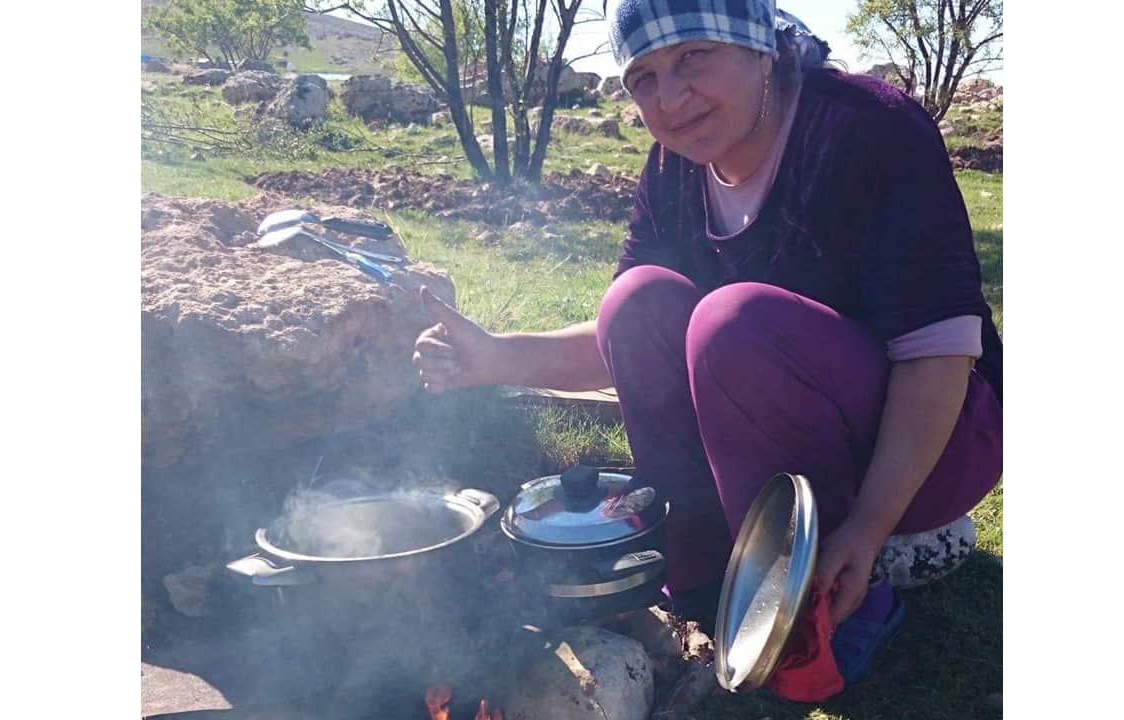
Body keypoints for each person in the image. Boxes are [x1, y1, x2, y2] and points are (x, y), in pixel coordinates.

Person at [412, 0, 1001, 691]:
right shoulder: (674, 168)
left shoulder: (869, 131)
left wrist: (869, 527)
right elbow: (627, 340)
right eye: (643, 78)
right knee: (638, 303)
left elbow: (938, 354)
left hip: (938, 439)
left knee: (733, 321)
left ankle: (833, 598)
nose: (670, 97)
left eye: (693, 58)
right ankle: (699, 574)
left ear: (760, 48)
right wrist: (497, 357)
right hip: (800, 420)